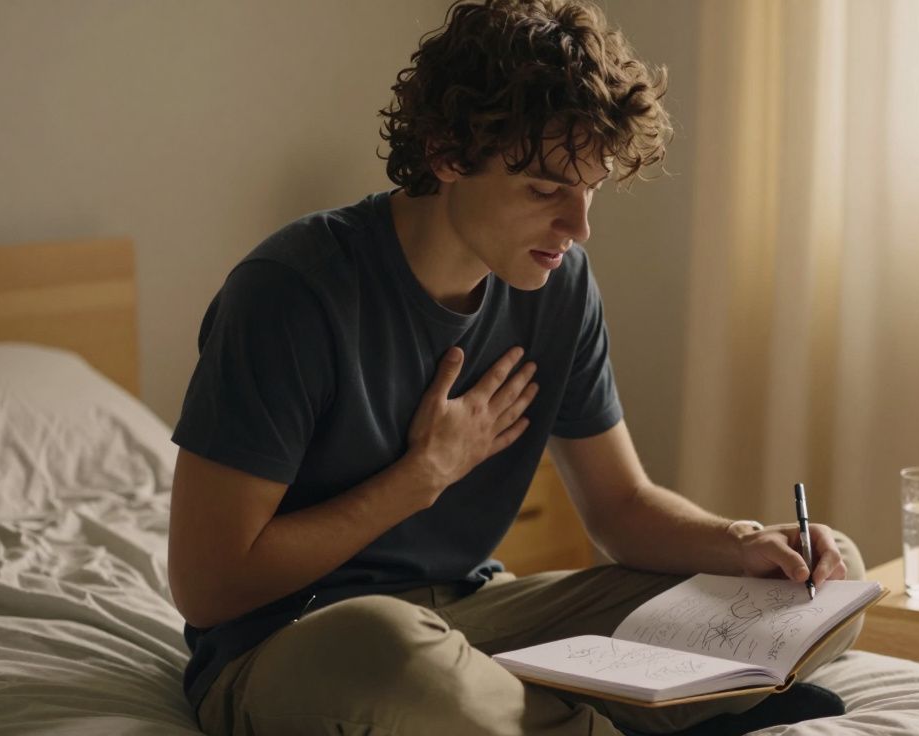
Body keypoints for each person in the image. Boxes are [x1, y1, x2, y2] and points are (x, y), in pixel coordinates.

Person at [167, 1, 863, 734]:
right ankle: (640, 712)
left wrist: (744, 542)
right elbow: (208, 587)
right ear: (446, 154)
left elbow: (621, 508)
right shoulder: (292, 292)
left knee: (811, 589)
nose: (578, 227)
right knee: (398, 661)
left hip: (474, 620)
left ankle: (561, 708)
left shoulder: (558, 287)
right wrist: (421, 476)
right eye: (544, 191)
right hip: (300, 642)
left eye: (589, 190)